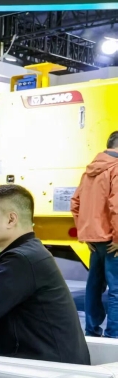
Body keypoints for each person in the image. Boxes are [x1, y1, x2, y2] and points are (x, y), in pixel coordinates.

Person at [0, 185, 90, 364]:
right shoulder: (30, 252)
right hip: (45, 361)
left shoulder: (22, 260)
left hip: (47, 369)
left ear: (11, 219)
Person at [72, 131, 118, 338]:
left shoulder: (90, 170)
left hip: (95, 241)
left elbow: (75, 203)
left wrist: (85, 233)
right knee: (116, 291)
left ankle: (91, 331)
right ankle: (113, 335)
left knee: (94, 287)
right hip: (112, 240)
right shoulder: (116, 168)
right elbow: (116, 206)